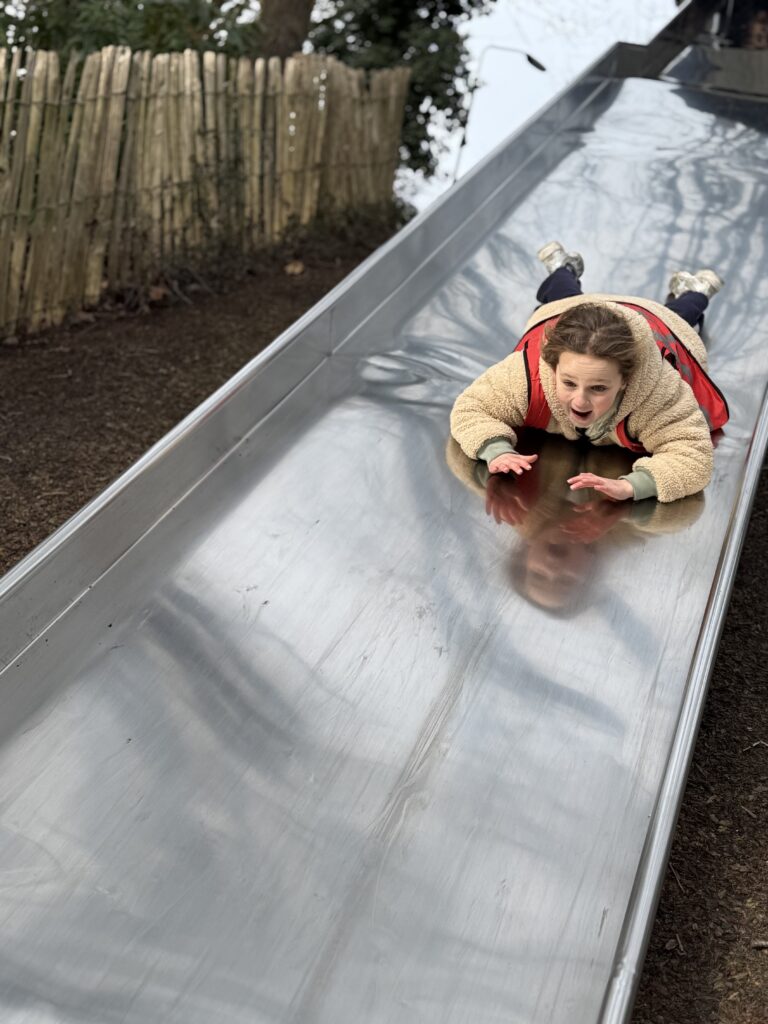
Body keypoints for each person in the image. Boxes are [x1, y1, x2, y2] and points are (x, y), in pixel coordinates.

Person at [449, 242, 728, 504]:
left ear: (625, 381)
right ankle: (564, 268)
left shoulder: (656, 392)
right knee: (561, 299)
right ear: (553, 366)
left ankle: (696, 292)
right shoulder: (526, 375)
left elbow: (693, 455)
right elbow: (472, 408)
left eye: (598, 388)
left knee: (680, 317)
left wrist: (633, 485)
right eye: (569, 382)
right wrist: (495, 449)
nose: (580, 402)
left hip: (654, 320)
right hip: (573, 316)